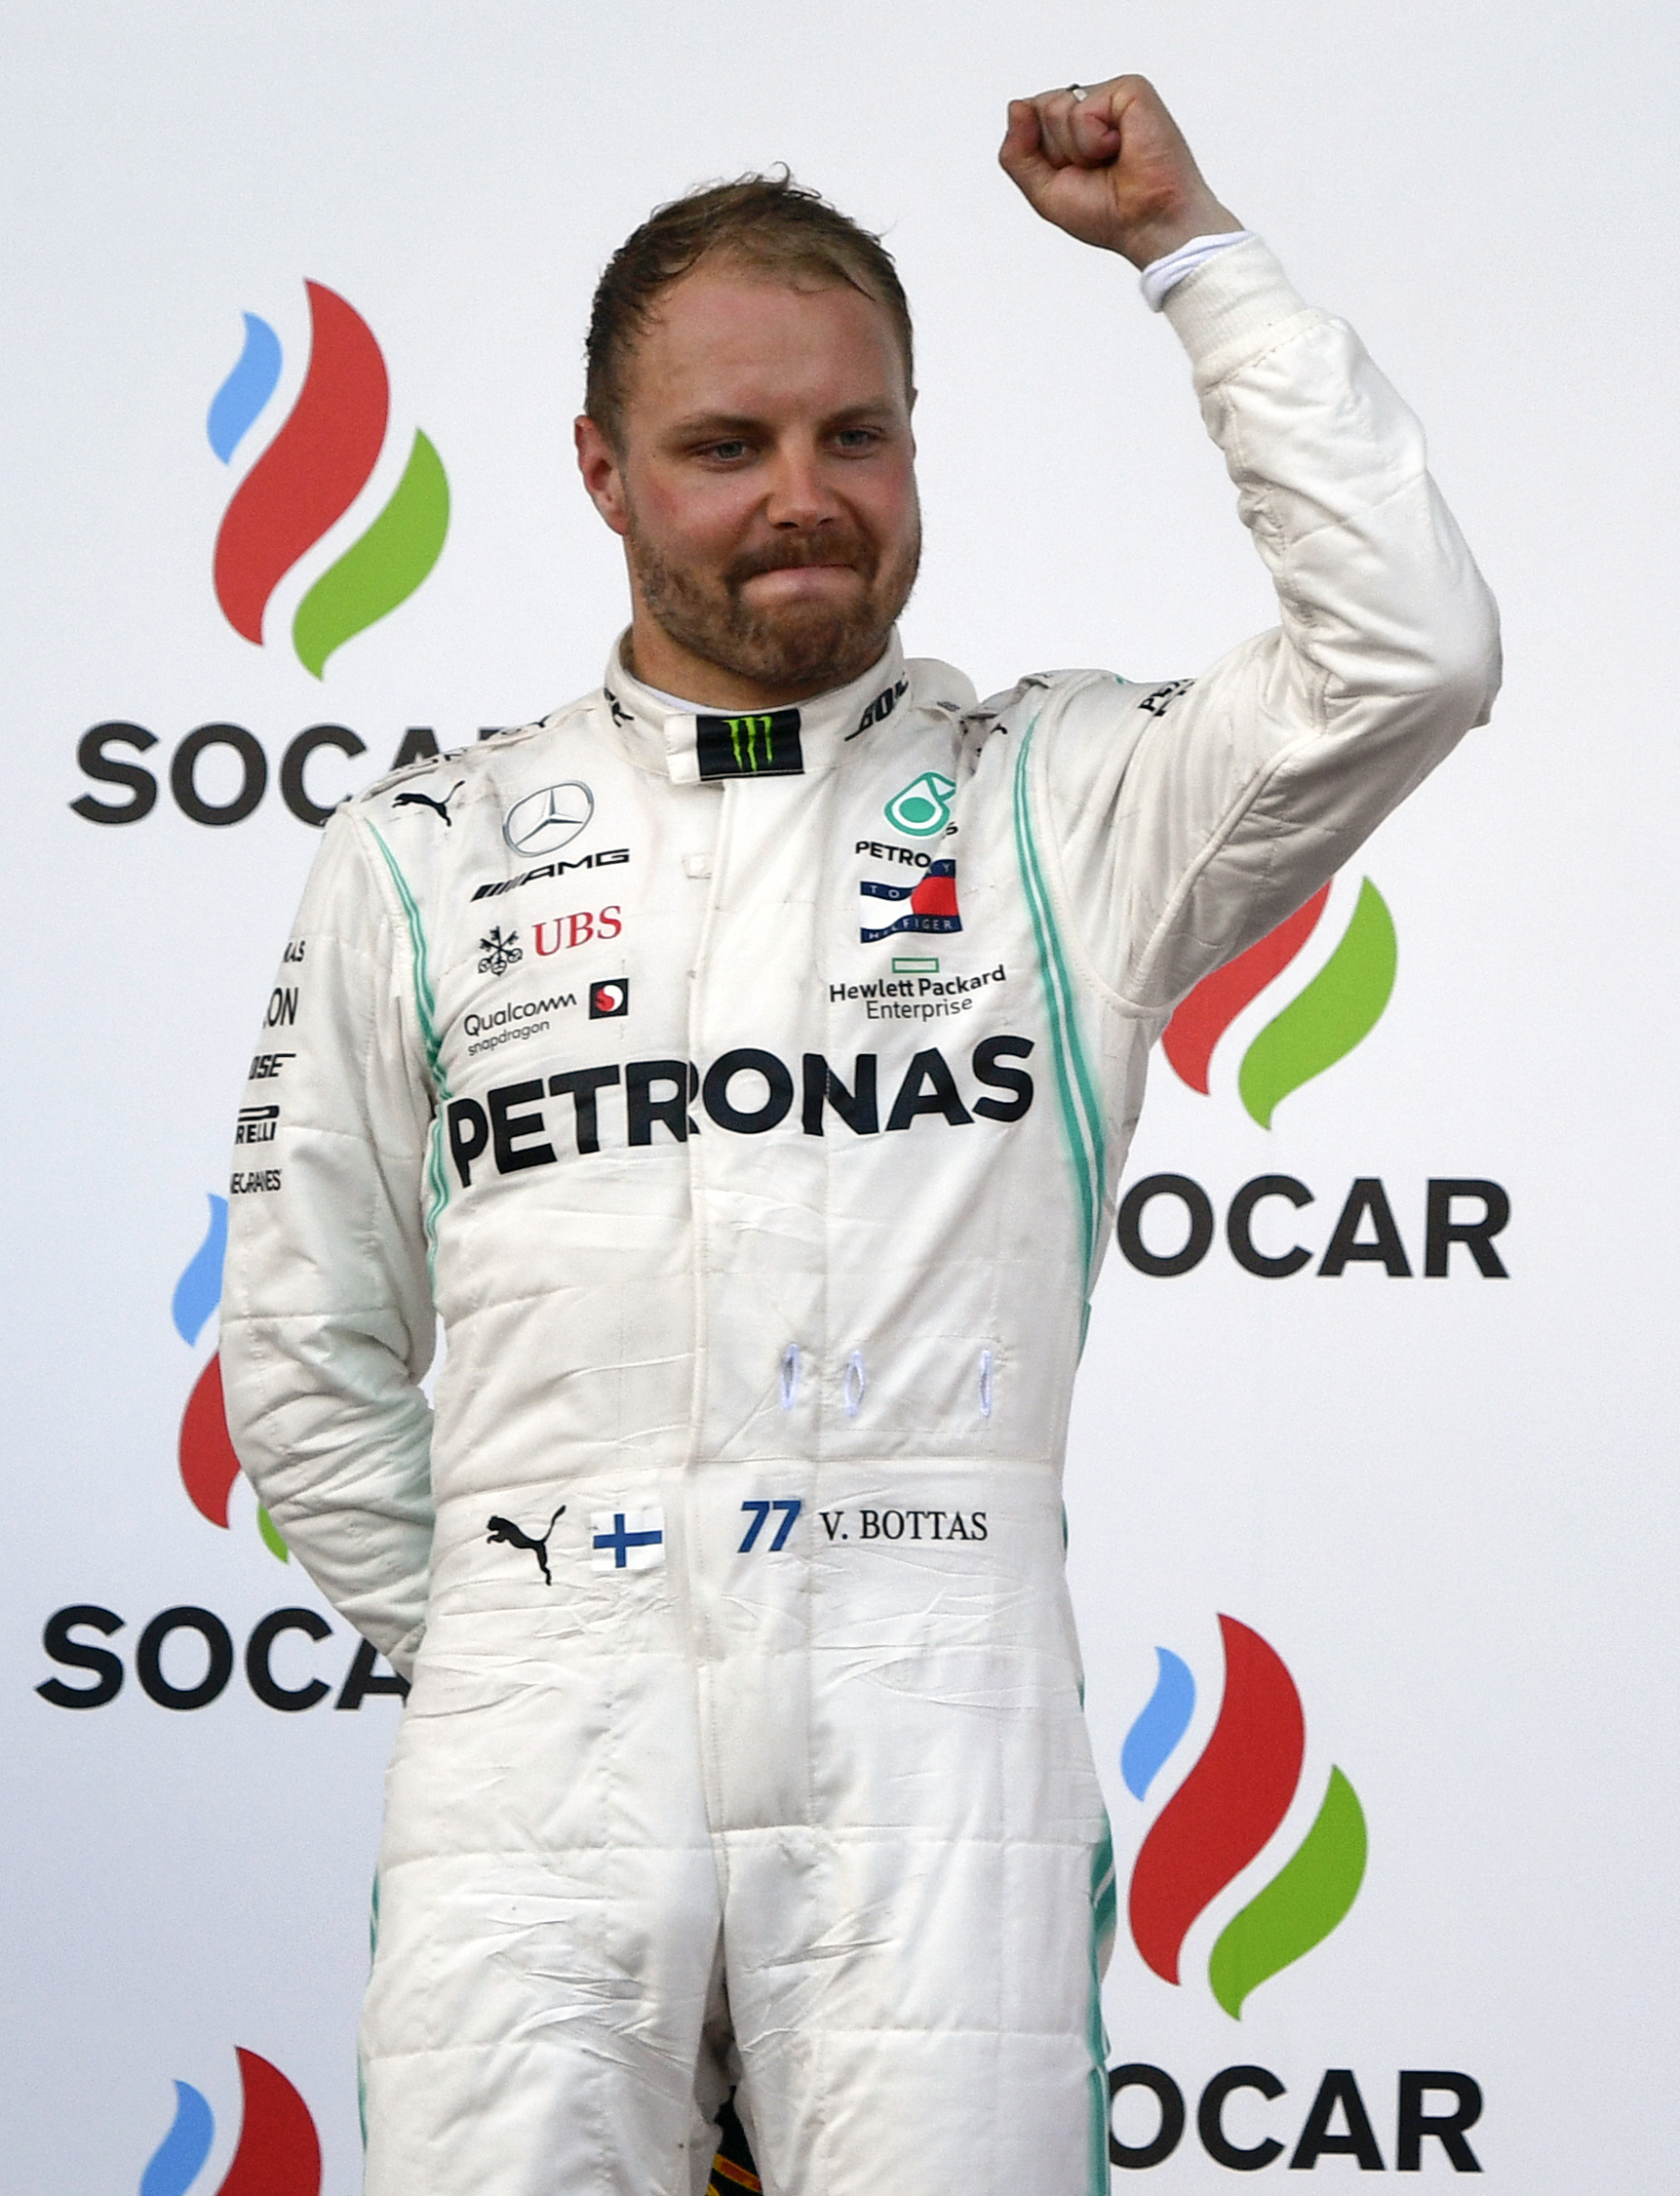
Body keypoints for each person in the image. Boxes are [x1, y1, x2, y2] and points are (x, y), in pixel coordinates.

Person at [218, 79, 1495, 2195]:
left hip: (937, 1739)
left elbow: (1416, 651)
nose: (802, 496)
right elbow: (306, 1352)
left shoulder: (1059, 800)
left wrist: (1189, 257)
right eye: (728, 447)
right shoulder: (423, 850)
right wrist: (528, 1655)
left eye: (856, 434)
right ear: (601, 471)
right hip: (536, 1768)